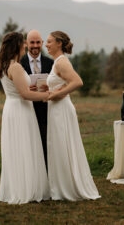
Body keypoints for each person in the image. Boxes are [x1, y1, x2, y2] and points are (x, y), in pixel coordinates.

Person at [46, 31, 101, 201]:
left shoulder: (61, 62)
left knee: (63, 145)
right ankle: (60, 186)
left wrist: (57, 94)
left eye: (49, 42)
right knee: (58, 146)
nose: (45, 45)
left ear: (59, 44)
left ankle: (67, 188)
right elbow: (62, 83)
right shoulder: (57, 62)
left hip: (61, 109)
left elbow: (77, 82)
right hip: (56, 109)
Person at [0, 32, 50, 205]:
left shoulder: (4, 65)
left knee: (17, 148)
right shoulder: (16, 67)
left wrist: (31, 89)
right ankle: (27, 189)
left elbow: (21, 90)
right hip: (21, 110)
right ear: (17, 46)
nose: (25, 47)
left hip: (11, 108)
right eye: (23, 44)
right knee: (25, 147)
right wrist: (48, 95)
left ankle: (19, 186)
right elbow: (25, 95)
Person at [21, 30, 53, 170]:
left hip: (46, 110)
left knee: (45, 144)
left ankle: (46, 175)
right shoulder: (19, 63)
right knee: (27, 145)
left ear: (42, 43)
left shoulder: (50, 63)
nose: (35, 45)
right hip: (25, 109)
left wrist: (49, 88)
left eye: (38, 42)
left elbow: (58, 84)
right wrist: (27, 90)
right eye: (32, 42)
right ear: (26, 43)